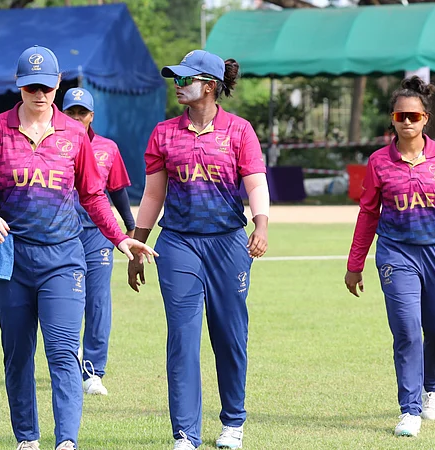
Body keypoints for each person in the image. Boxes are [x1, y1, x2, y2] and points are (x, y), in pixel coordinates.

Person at [0, 45, 157, 450]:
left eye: (46, 85)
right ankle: (27, 439)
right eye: (31, 85)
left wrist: (122, 237)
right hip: (12, 260)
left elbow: (93, 195)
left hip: (63, 260)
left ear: (57, 85)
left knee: (63, 354)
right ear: (19, 86)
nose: (39, 93)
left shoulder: (73, 134)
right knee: (17, 355)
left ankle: (66, 441)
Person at [128, 50, 270, 450]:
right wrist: (139, 242)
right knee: (183, 337)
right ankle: (185, 433)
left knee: (229, 334)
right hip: (178, 244)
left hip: (228, 244)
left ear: (209, 85)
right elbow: (154, 193)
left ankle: (233, 423)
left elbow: (256, 183)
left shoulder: (240, 131)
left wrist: (260, 225)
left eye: (185, 79)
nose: (177, 85)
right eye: (175, 79)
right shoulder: (163, 133)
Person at [344, 76, 435, 438]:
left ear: (425, 118)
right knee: (407, 331)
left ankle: (432, 389)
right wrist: (355, 264)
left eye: (414, 116)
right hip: (396, 253)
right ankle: (410, 409)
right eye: (401, 116)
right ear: (392, 119)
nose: (408, 122)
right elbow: (368, 213)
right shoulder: (379, 161)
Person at [62, 87, 136, 396]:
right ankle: (67, 362)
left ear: (92, 116)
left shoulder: (108, 148)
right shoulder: (54, 144)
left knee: (98, 300)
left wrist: (130, 227)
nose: (77, 118)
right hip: (62, 235)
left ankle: (93, 371)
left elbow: (117, 190)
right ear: (62, 113)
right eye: (71, 112)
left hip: (97, 235)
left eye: (83, 113)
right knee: (65, 301)